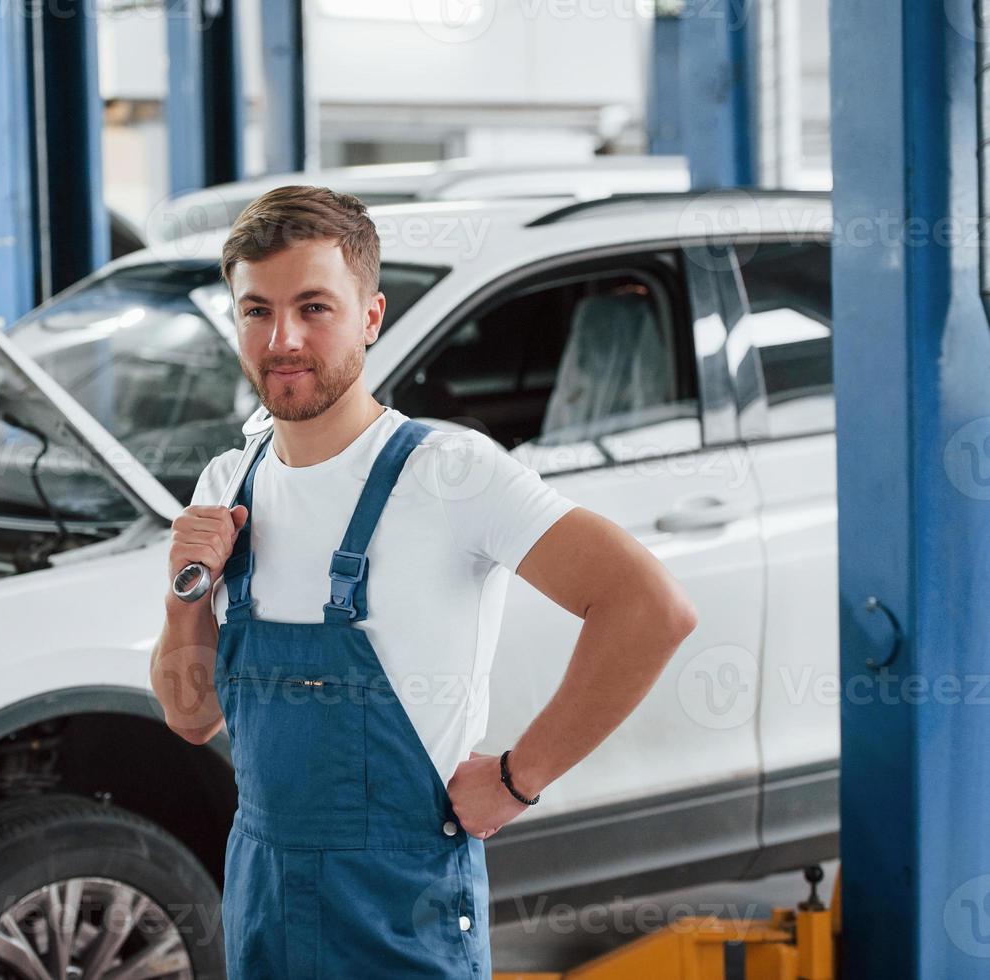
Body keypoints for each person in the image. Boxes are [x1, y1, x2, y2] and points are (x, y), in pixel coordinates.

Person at [149, 185, 698, 978]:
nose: (283, 338)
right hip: (263, 900)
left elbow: (650, 607)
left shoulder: (450, 473)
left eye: (314, 307)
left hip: (401, 909)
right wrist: (183, 596)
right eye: (256, 311)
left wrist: (519, 777)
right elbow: (191, 715)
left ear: (371, 316)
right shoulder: (227, 483)